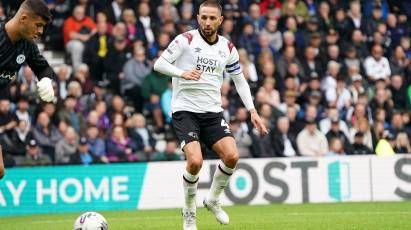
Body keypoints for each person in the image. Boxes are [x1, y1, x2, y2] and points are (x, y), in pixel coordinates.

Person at [153, 1, 268, 229]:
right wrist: (182, 73)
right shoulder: (185, 40)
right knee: (195, 161)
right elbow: (160, 64)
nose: (207, 22)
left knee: (232, 157)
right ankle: (189, 213)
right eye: (203, 17)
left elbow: (239, 80)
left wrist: (253, 111)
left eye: (212, 18)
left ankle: (213, 200)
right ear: (198, 18)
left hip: (213, 112)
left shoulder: (227, 48)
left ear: (220, 20)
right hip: (185, 110)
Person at [0, 0, 56, 179]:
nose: (40, 32)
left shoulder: (27, 46)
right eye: (38, 25)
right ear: (23, 18)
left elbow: (44, 68)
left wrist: (46, 80)